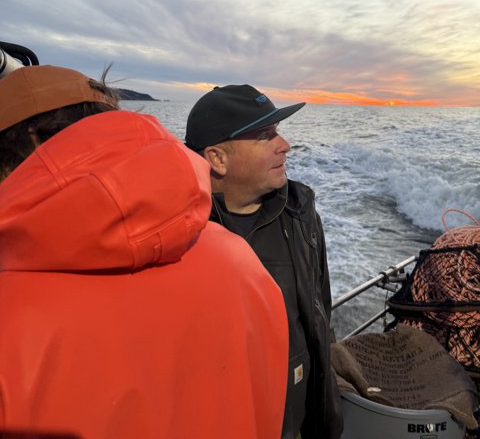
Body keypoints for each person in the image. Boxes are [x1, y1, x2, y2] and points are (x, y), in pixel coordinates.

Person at [0, 66, 288, 439]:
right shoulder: (240, 260)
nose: (284, 145)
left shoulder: (10, 311)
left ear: (29, 147)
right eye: (266, 135)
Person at [185, 84, 343, 439]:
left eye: (278, 131)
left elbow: (320, 310)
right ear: (217, 158)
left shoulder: (300, 213)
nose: (284, 144)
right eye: (265, 135)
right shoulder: (179, 235)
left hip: (300, 418)